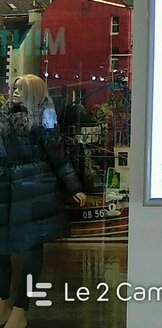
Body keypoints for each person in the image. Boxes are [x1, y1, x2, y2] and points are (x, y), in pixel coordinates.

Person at [0, 75, 86, 328]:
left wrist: (74, 186)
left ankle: (20, 310)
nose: (15, 91)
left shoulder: (45, 118)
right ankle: (3, 304)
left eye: (21, 88)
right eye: (14, 87)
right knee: (1, 249)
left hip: (34, 189)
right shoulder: (4, 117)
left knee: (31, 252)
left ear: (34, 92)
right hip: (6, 189)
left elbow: (58, 156)